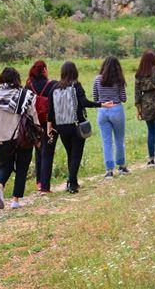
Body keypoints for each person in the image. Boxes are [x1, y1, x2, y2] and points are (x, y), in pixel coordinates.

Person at [47, 61, 112, 193]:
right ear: (75, 72)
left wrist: (49, 126)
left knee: (70, 153)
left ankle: (73, 181)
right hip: (76, 125)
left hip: (61, 126)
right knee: (76, 155)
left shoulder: (54, 88)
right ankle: (71, 184)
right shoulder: (76, 86)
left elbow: (51, 110)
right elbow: (84, 102)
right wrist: (101, 105)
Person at [0, 67, 39, 210]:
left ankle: (0, 187)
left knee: (5, 166)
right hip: (23, 138)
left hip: (3, 138)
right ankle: (15, 201)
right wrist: (38, 133)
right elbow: (33, 116)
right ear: (17, 79)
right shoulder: (26, 95)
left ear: (1, 79)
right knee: (22, 168)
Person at [93, 56, 129, 178]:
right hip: (116, 109)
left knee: (106, 141)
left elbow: (95, 98)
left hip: (102, 111)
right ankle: (121, 166)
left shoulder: (97, 79)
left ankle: (109, 170)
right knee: (119, 139)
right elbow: (124, 98)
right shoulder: (119, 80)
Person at [25, 60, 58, 194]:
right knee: (48, 152)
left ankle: (39, 182)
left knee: (38, 150)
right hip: (49, 121)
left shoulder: (28, 86)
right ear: (44, 69)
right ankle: (45, 186)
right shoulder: (53, 85)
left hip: (34, 122)